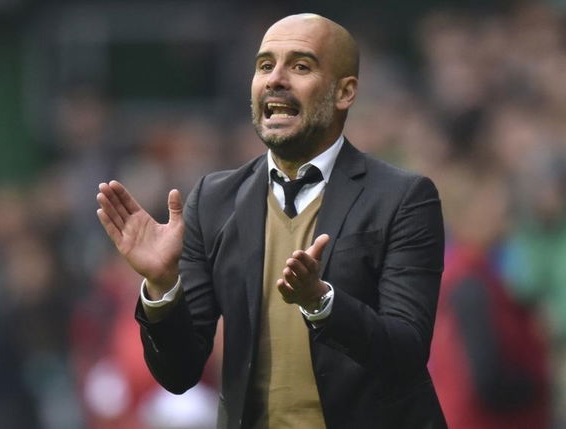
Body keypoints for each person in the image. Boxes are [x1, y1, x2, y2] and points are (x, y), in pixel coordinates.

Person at [96, 13, 446, 428]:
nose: (275, 79)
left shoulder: (404, 197)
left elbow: (405, 352)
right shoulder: (213, 200)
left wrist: (322, 303)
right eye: (265, 65)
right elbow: (179, 374)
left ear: (344, 92)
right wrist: (162, 286)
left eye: (300, 66)